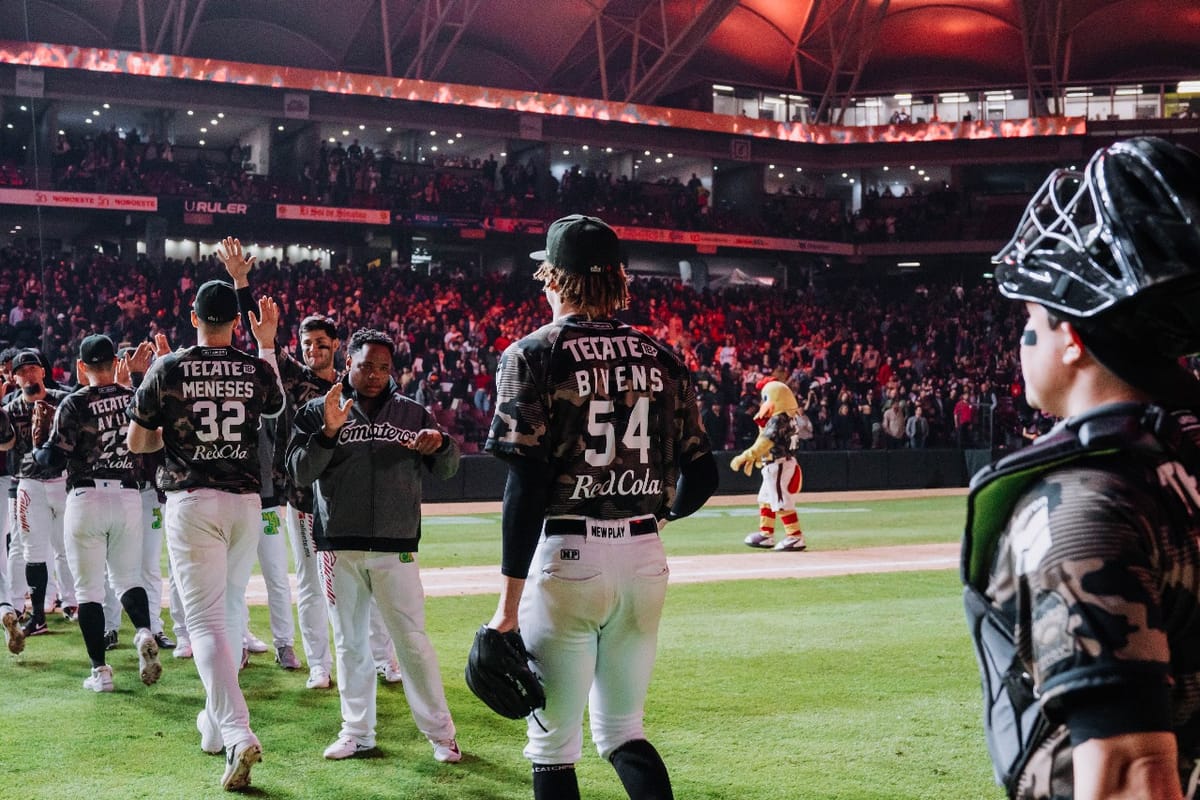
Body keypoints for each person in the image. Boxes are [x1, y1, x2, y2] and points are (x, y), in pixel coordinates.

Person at [963, 136, 1200, 800]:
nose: (1022, 339)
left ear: (1070, 337)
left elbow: (1130, 774)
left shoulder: (1083, 507)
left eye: (1031, 317)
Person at [483, 214, 718, 800]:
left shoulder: (532, 353)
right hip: (644, 559)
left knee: (553, 747)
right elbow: (705, 475)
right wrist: (656, 519)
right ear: (618, 281)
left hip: (568, 558)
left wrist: (505, 609)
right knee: (623, 731)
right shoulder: (660, 355)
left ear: (553, 279)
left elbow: (526, 486)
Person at [218, 239, 404, 689]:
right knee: (310, 581)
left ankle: (384, 658)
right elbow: (261, 334)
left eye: (321, 343)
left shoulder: (356, 383)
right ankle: (320, 664)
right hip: (303, 498)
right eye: (306, 343)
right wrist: (241, 282)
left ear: (337, 345)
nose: (312, 350)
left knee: (371, 579)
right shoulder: (290, 376)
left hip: (355, 497)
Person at [127, 275, 284, 792]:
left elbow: (139, 440)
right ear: (235, 322)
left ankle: (238, 733)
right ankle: (215, 729)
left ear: (193, 317)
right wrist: (264, 343)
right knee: (232, 611)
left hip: (193, 500)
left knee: (206, 624)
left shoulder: (167, 367)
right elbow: (276, 408)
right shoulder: (255, 368)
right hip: (245, 501)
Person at [287, 327, 463, 764]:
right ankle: (357, 732)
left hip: (396, 543)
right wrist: (327, 433)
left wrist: (441, 446)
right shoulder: (317, 409)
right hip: (339, 545)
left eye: (384, 367)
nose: (375, 375)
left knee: (412, 641)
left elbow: (447, 468)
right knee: (348, 643)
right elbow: (298, 472)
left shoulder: (412, 412)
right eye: (366, 365)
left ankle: (442, 734)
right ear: (349, 362)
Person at [33, 335, 163, 692]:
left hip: (86, 496)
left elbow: (53, 460)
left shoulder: (75, 403)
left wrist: (39, 444)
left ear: (81, 367)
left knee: (89, 591)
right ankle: (142, 632)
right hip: (128, 495)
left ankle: (100, 672)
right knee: (127, 580)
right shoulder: (132, 398)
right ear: (113, 363)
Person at [5, 348, 75, 638]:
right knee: (32, 551)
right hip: (29, 484)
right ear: (14, 377)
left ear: (43, 372)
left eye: (33, 368)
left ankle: (73, 603)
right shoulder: (9, 410)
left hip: (63, 481)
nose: (28, 373)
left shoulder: (64, 401)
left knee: (66, 547)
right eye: (22, 371)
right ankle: (36, 615)